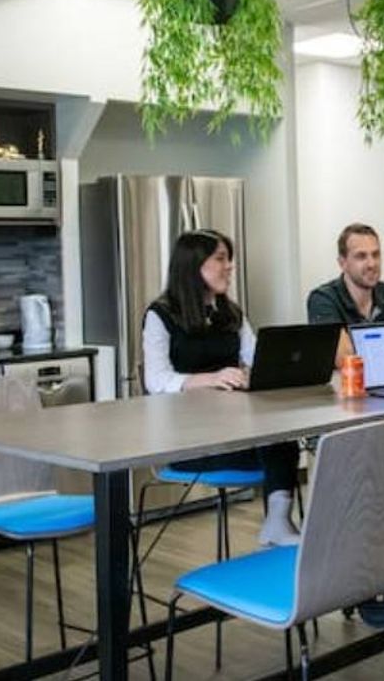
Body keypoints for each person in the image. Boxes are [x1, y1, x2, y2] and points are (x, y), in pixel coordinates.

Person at [141, 229, 301, 547]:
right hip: (188, 443)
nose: (229, 267)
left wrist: (280, 368)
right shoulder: (160, 316)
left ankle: (278, 521)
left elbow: (256, 357)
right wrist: (210, 378)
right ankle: (278, 523)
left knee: (284, 438)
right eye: (221, 259)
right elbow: (156, 380)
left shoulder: (231, 314)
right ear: (193, 265)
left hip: (232, 432)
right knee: (277, 446)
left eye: (229, 259)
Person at [307, 223, 384, 325]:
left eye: (376, 255)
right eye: (361, 256)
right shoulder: (324, 299)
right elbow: (338, 345)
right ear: (342, 263)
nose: (371, 264)